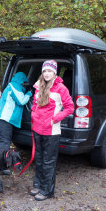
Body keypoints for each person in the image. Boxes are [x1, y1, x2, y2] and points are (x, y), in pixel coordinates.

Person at [30, 60, 74, 201]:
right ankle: (38, 184)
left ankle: (47, 190)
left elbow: (70, 107)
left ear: (55, 72)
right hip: (37, 129)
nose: (47, 73)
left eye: (49, 71)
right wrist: (33, 114)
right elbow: (35, 104)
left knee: (48, 162)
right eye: (44, 71)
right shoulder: (38, 86)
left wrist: (55, 119)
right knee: (39, 159)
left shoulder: (61, 88)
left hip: (51, 131)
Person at [0, 72, 32, 174]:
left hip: (0, 117)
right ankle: (1, 168)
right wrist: (29, 93)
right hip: (5, 119)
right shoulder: (14, 86)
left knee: (0, 142)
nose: (24, 85)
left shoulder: (11, 86)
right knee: (4, 142)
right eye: (24, 83)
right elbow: (21, 101)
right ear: (21, 81)